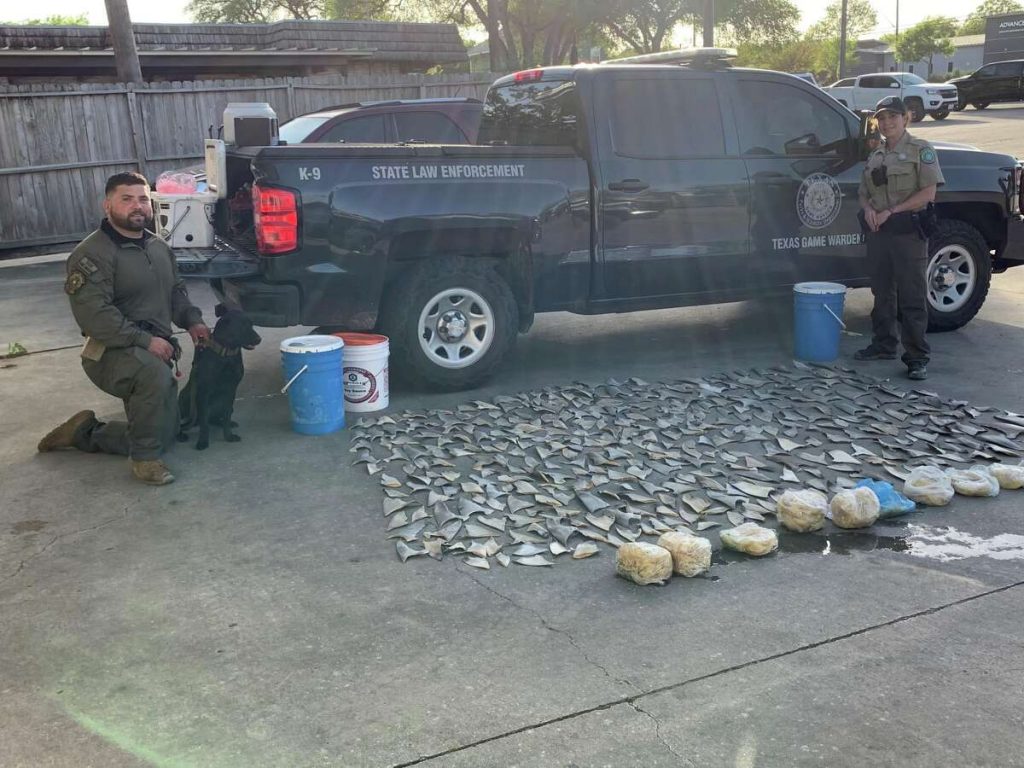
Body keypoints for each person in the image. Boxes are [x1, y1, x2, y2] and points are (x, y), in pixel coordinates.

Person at [37, 172, 210, 485]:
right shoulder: (91, 254)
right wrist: (145, 341)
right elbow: (95, 316)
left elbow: (175, 293)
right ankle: (145, 461)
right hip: (108, 353)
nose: (137, 206)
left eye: (143, 199)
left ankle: (84, 432)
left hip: (149, 348)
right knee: (154, 376)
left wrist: (193, 321)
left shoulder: (158, 247)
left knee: (166, 434)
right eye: (126, 199)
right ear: (108, 205)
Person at [855, 96, 944, 381]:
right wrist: (868, 209)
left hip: (908, 234)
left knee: (912, 297)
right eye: (881, 118)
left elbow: (928, 194)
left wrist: (892, 211)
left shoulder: (921, 150)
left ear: (906, 117)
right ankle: (883, 344)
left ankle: (917, 357)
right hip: (879, 234)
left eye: (893, 116)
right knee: (882, 293)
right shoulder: (875, 155)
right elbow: (862, 191)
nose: (886, 122)